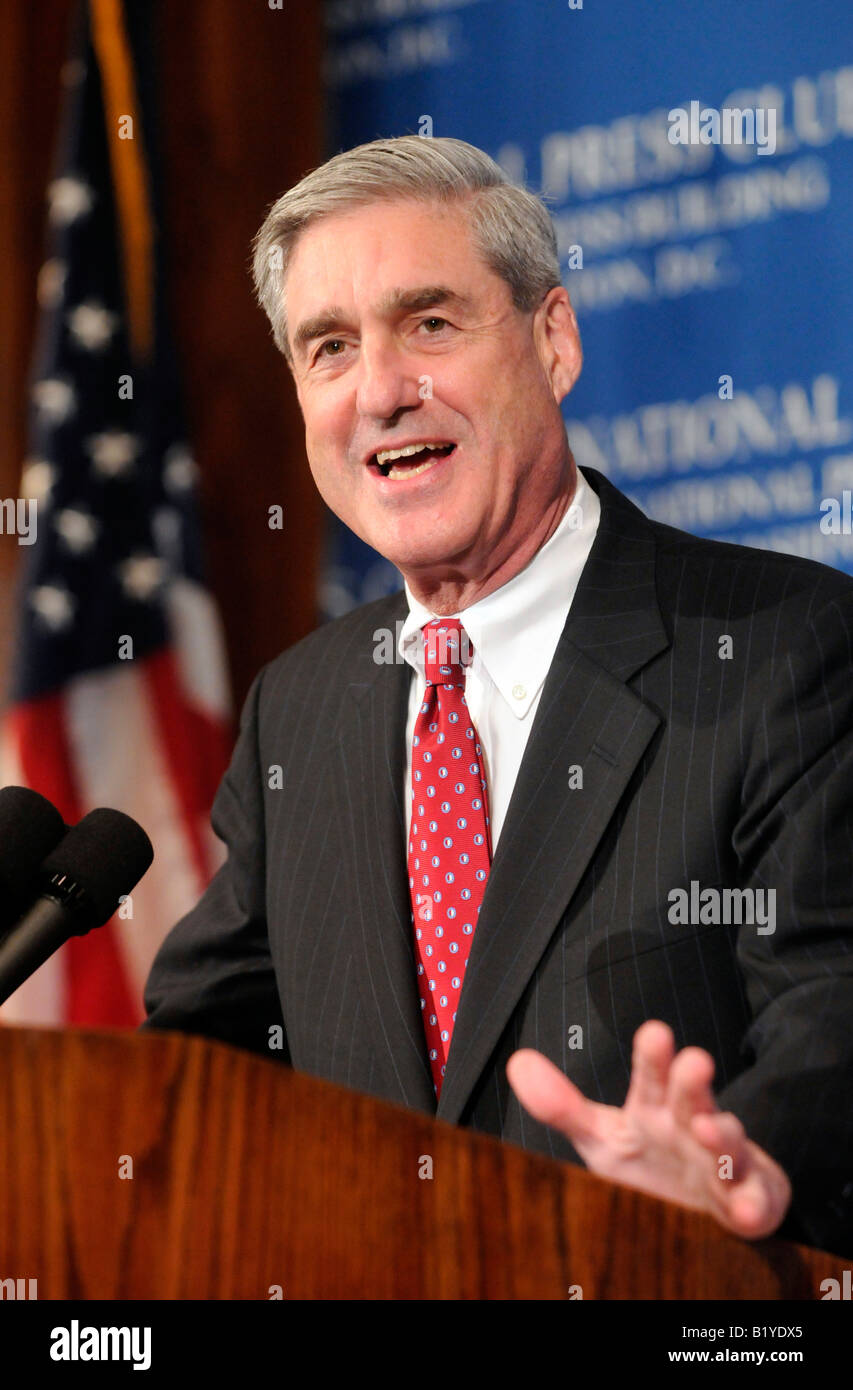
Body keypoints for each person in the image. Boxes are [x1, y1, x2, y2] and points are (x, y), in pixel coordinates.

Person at [142, 135, 853, 1255]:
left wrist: (730, 1164)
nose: (380, 388)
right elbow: (199, 1067)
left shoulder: (779, 646)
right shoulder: (302, 709)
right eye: (329, 347)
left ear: (553, 339)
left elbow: (833, 1004)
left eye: (429, 324)